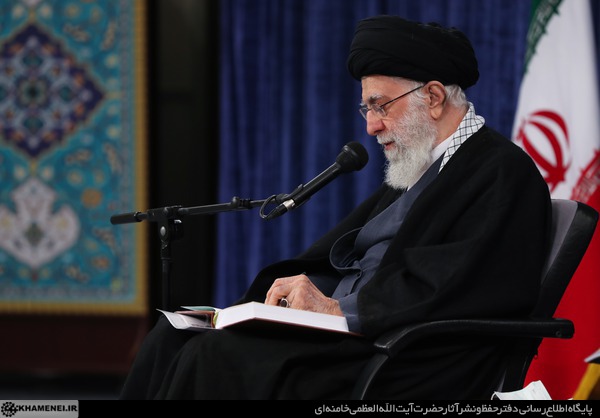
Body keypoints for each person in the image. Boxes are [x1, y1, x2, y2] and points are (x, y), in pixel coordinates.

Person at [119, 15, 552, 400]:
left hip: (405, 356)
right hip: (355, 336)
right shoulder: (421, 163)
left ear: (434, 97)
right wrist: (293, 301)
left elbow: (450, 289)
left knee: (215, 357)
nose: (371, 126)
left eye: (381, 105)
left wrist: (337, 310)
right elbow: (348, 258)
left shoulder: (500, 172)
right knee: (171, 335)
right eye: (367, 108)